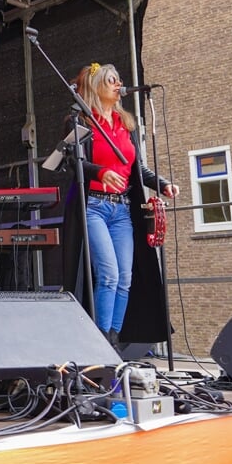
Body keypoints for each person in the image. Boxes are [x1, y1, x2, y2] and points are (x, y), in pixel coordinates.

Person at [75, 63, 178, 342]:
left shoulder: (126, 125)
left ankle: (114, 339)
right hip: (95, 206)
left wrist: (162, 183)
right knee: (108, 274)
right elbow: (74, 162)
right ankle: (99, 341)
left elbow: (137, 169)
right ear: (97, 86)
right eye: (111, 80)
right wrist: (99, 172)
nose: (118, 84)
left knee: (125, 278)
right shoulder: (81, 121)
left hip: (122, 209)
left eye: (119, 80)